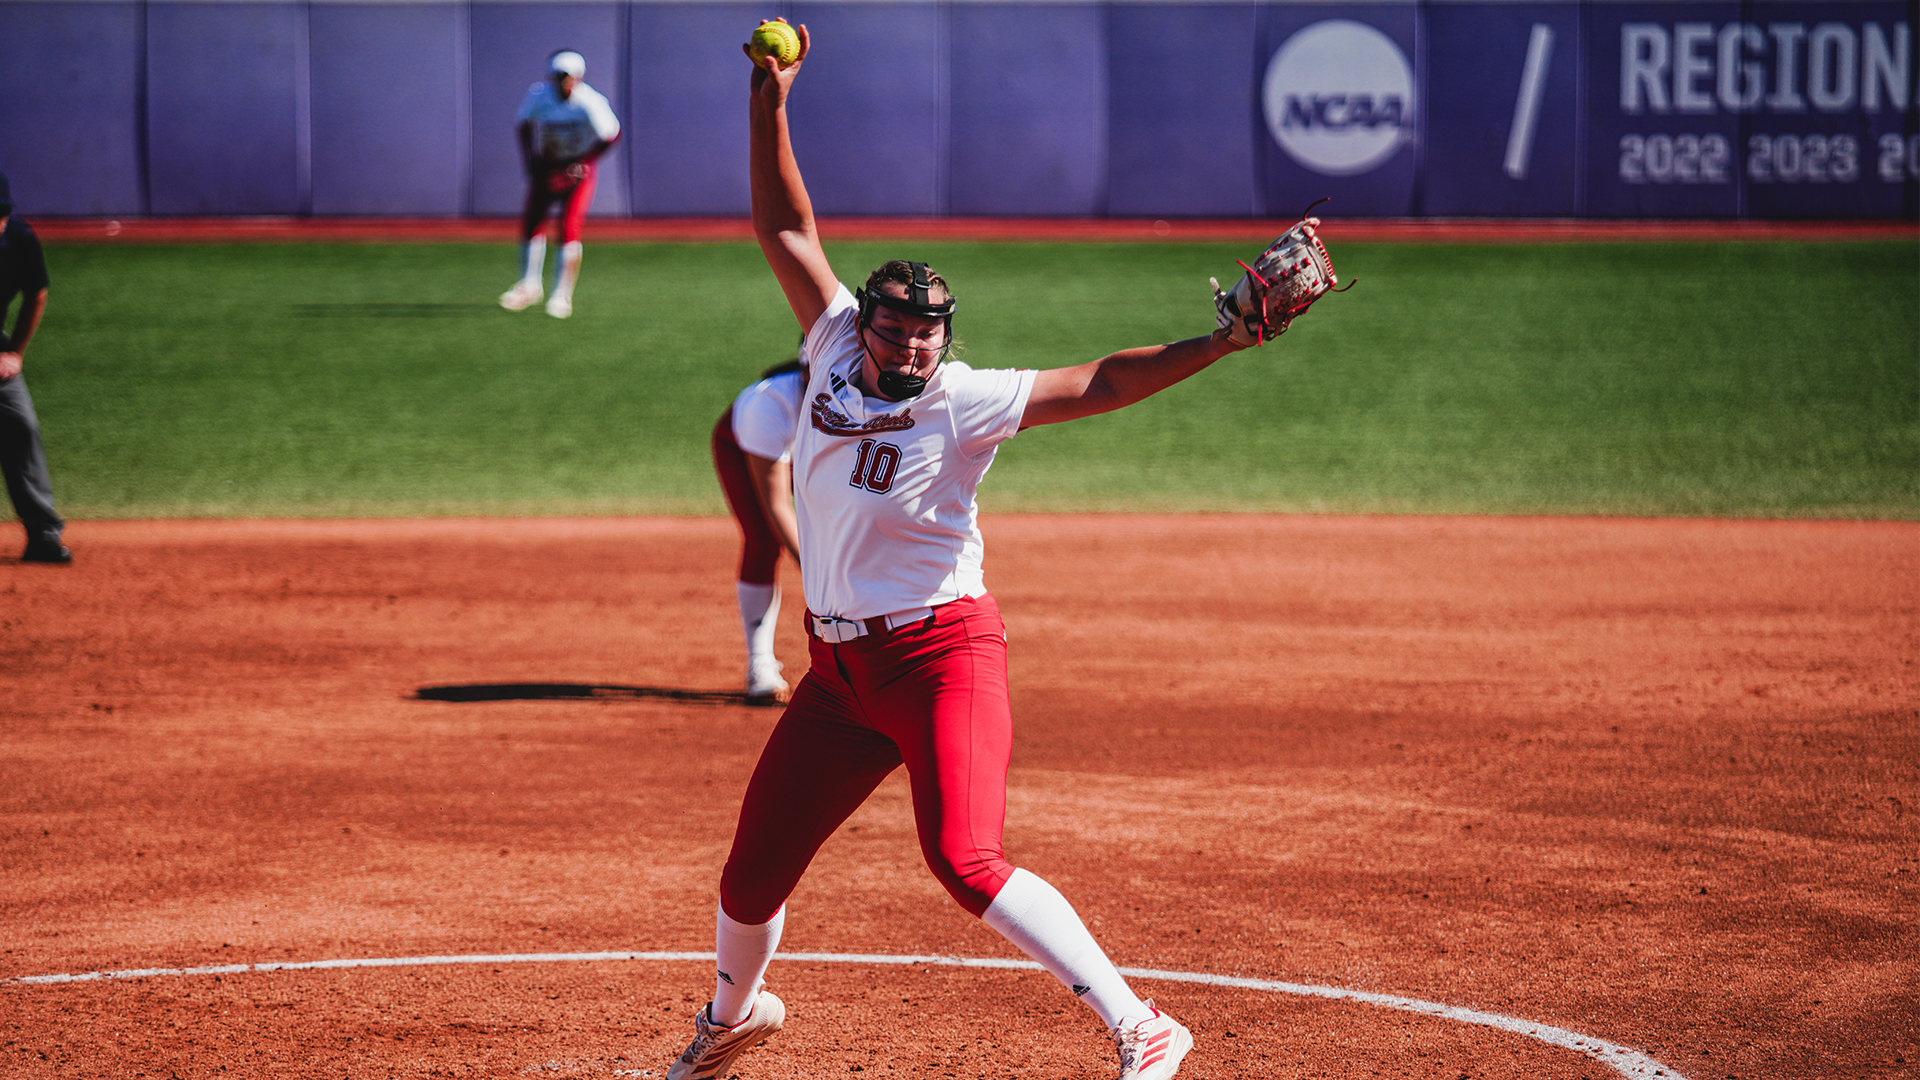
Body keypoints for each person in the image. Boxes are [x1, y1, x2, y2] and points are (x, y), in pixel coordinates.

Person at [659, 22, 1279, 1080]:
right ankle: (735, 1015)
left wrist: (1219, 340)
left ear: (945, 339)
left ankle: (1143, 1026)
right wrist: (772, 97)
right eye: (895, 332)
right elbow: (783, 223)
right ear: (866, 327)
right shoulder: (829, 344)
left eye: (927, 336)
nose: (911, 348)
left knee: (964, 858)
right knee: (753, 869)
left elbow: (1107, 379)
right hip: (840, 673)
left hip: (941, 655)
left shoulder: (967, 402)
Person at [498, 50, 622, 320]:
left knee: (568, 227)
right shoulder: (539, 95)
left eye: (567, 76)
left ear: (578, 77)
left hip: (578, 168)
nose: (562, 81)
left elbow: (612, 134)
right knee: (533, 222)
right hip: (549, 163)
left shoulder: (590, 101)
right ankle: (529, 286)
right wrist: (531, 161)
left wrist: (585, 162)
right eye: (558, 76)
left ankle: (561, 294)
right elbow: (523, 124)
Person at [711, 355, 806, 701]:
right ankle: (760, 663)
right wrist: (814, 573)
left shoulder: (866, 390)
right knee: (764, 540)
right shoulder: (769, 403)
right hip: (745, 450)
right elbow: (777, 505)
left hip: (807, 455)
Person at [0, 172, 68, 565]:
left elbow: (36, 294)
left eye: (0, 213)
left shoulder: (20, 239)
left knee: (21, 425)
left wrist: (15, 352)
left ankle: (43, 535)